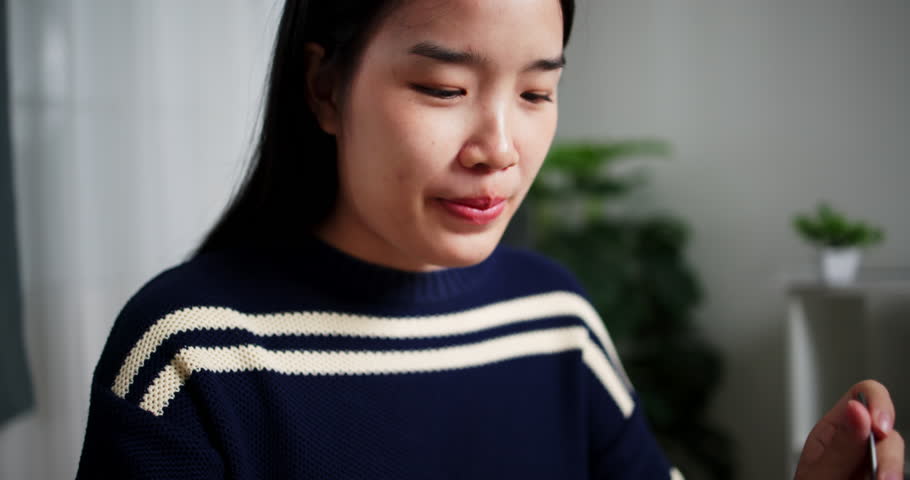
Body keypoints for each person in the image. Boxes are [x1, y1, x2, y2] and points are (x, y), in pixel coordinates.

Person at [75, 0, 903, 478]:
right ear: (326, 90)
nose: (499, 149)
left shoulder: (556, 320)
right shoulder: (191, 356)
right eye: (443, 88)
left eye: (538, 93)